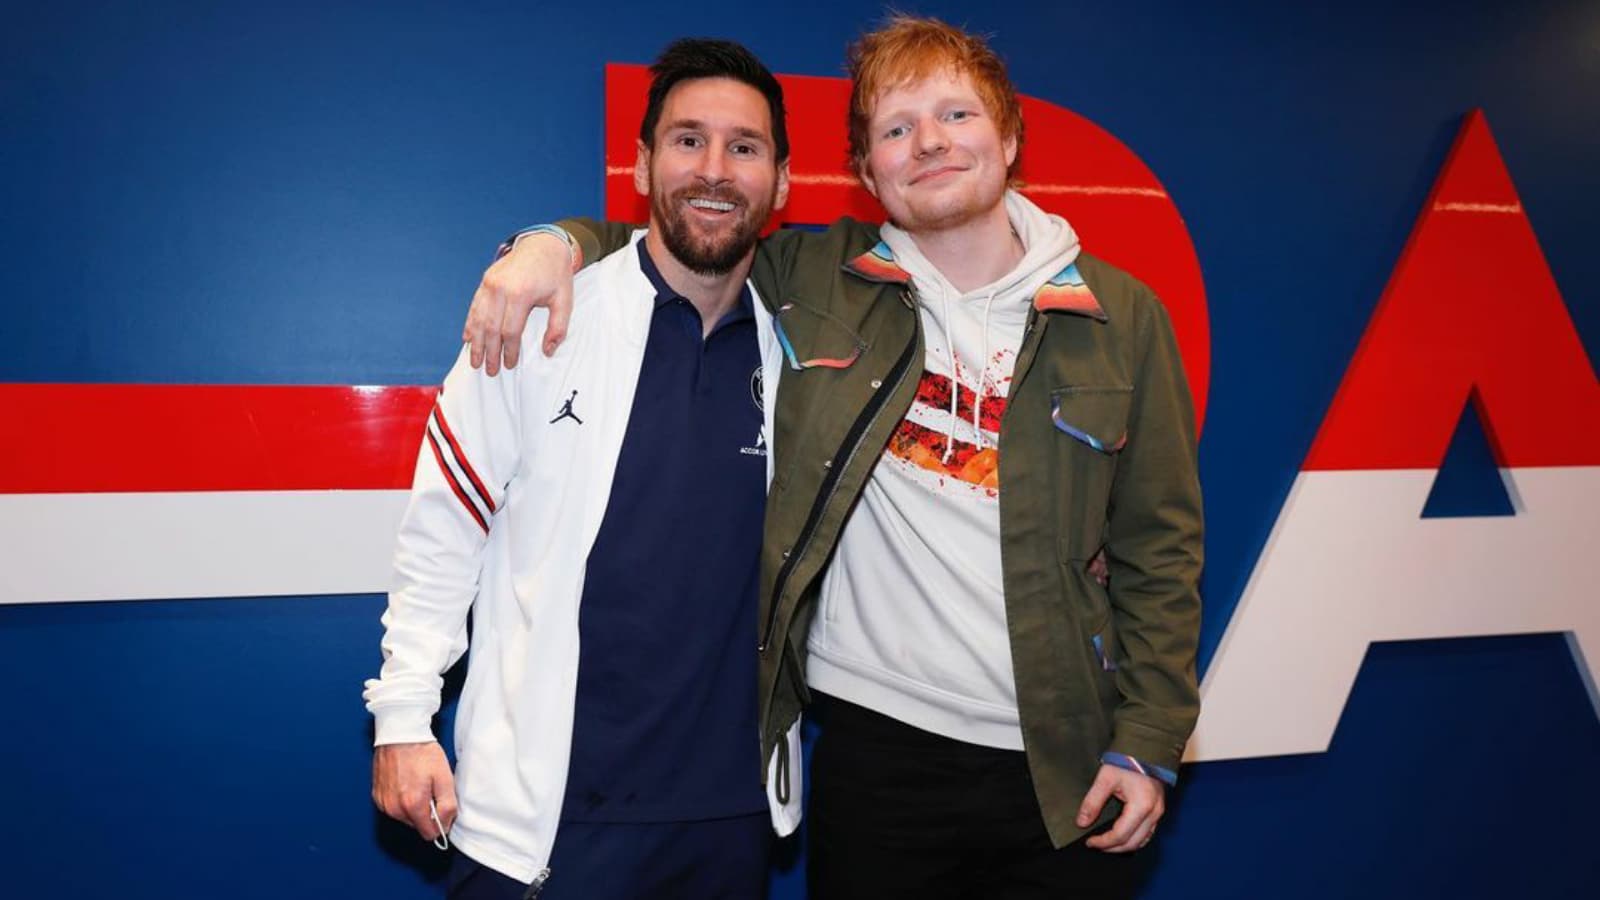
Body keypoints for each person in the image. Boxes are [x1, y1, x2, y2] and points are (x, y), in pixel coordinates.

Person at [468, 17, 1203, 899]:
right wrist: (550, 242)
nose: (928, 142)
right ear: (865, 171)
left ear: (1009, 138)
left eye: (956, 116)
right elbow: (682, 238)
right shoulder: (817, 276)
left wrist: (1152, 737)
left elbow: (1159, 550)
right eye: (896, 128)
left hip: (1063, 762)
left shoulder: (1122, 318)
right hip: (873, 752)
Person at [363, 38, 800, 900]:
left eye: (743, 147)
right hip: (544, 825)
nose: (714, 169)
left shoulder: (811, 351)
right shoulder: (538, 320)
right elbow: (443, 530)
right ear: (640, 164)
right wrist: (403, 719)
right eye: (687, 140)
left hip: (730, 819)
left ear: (782, 183)